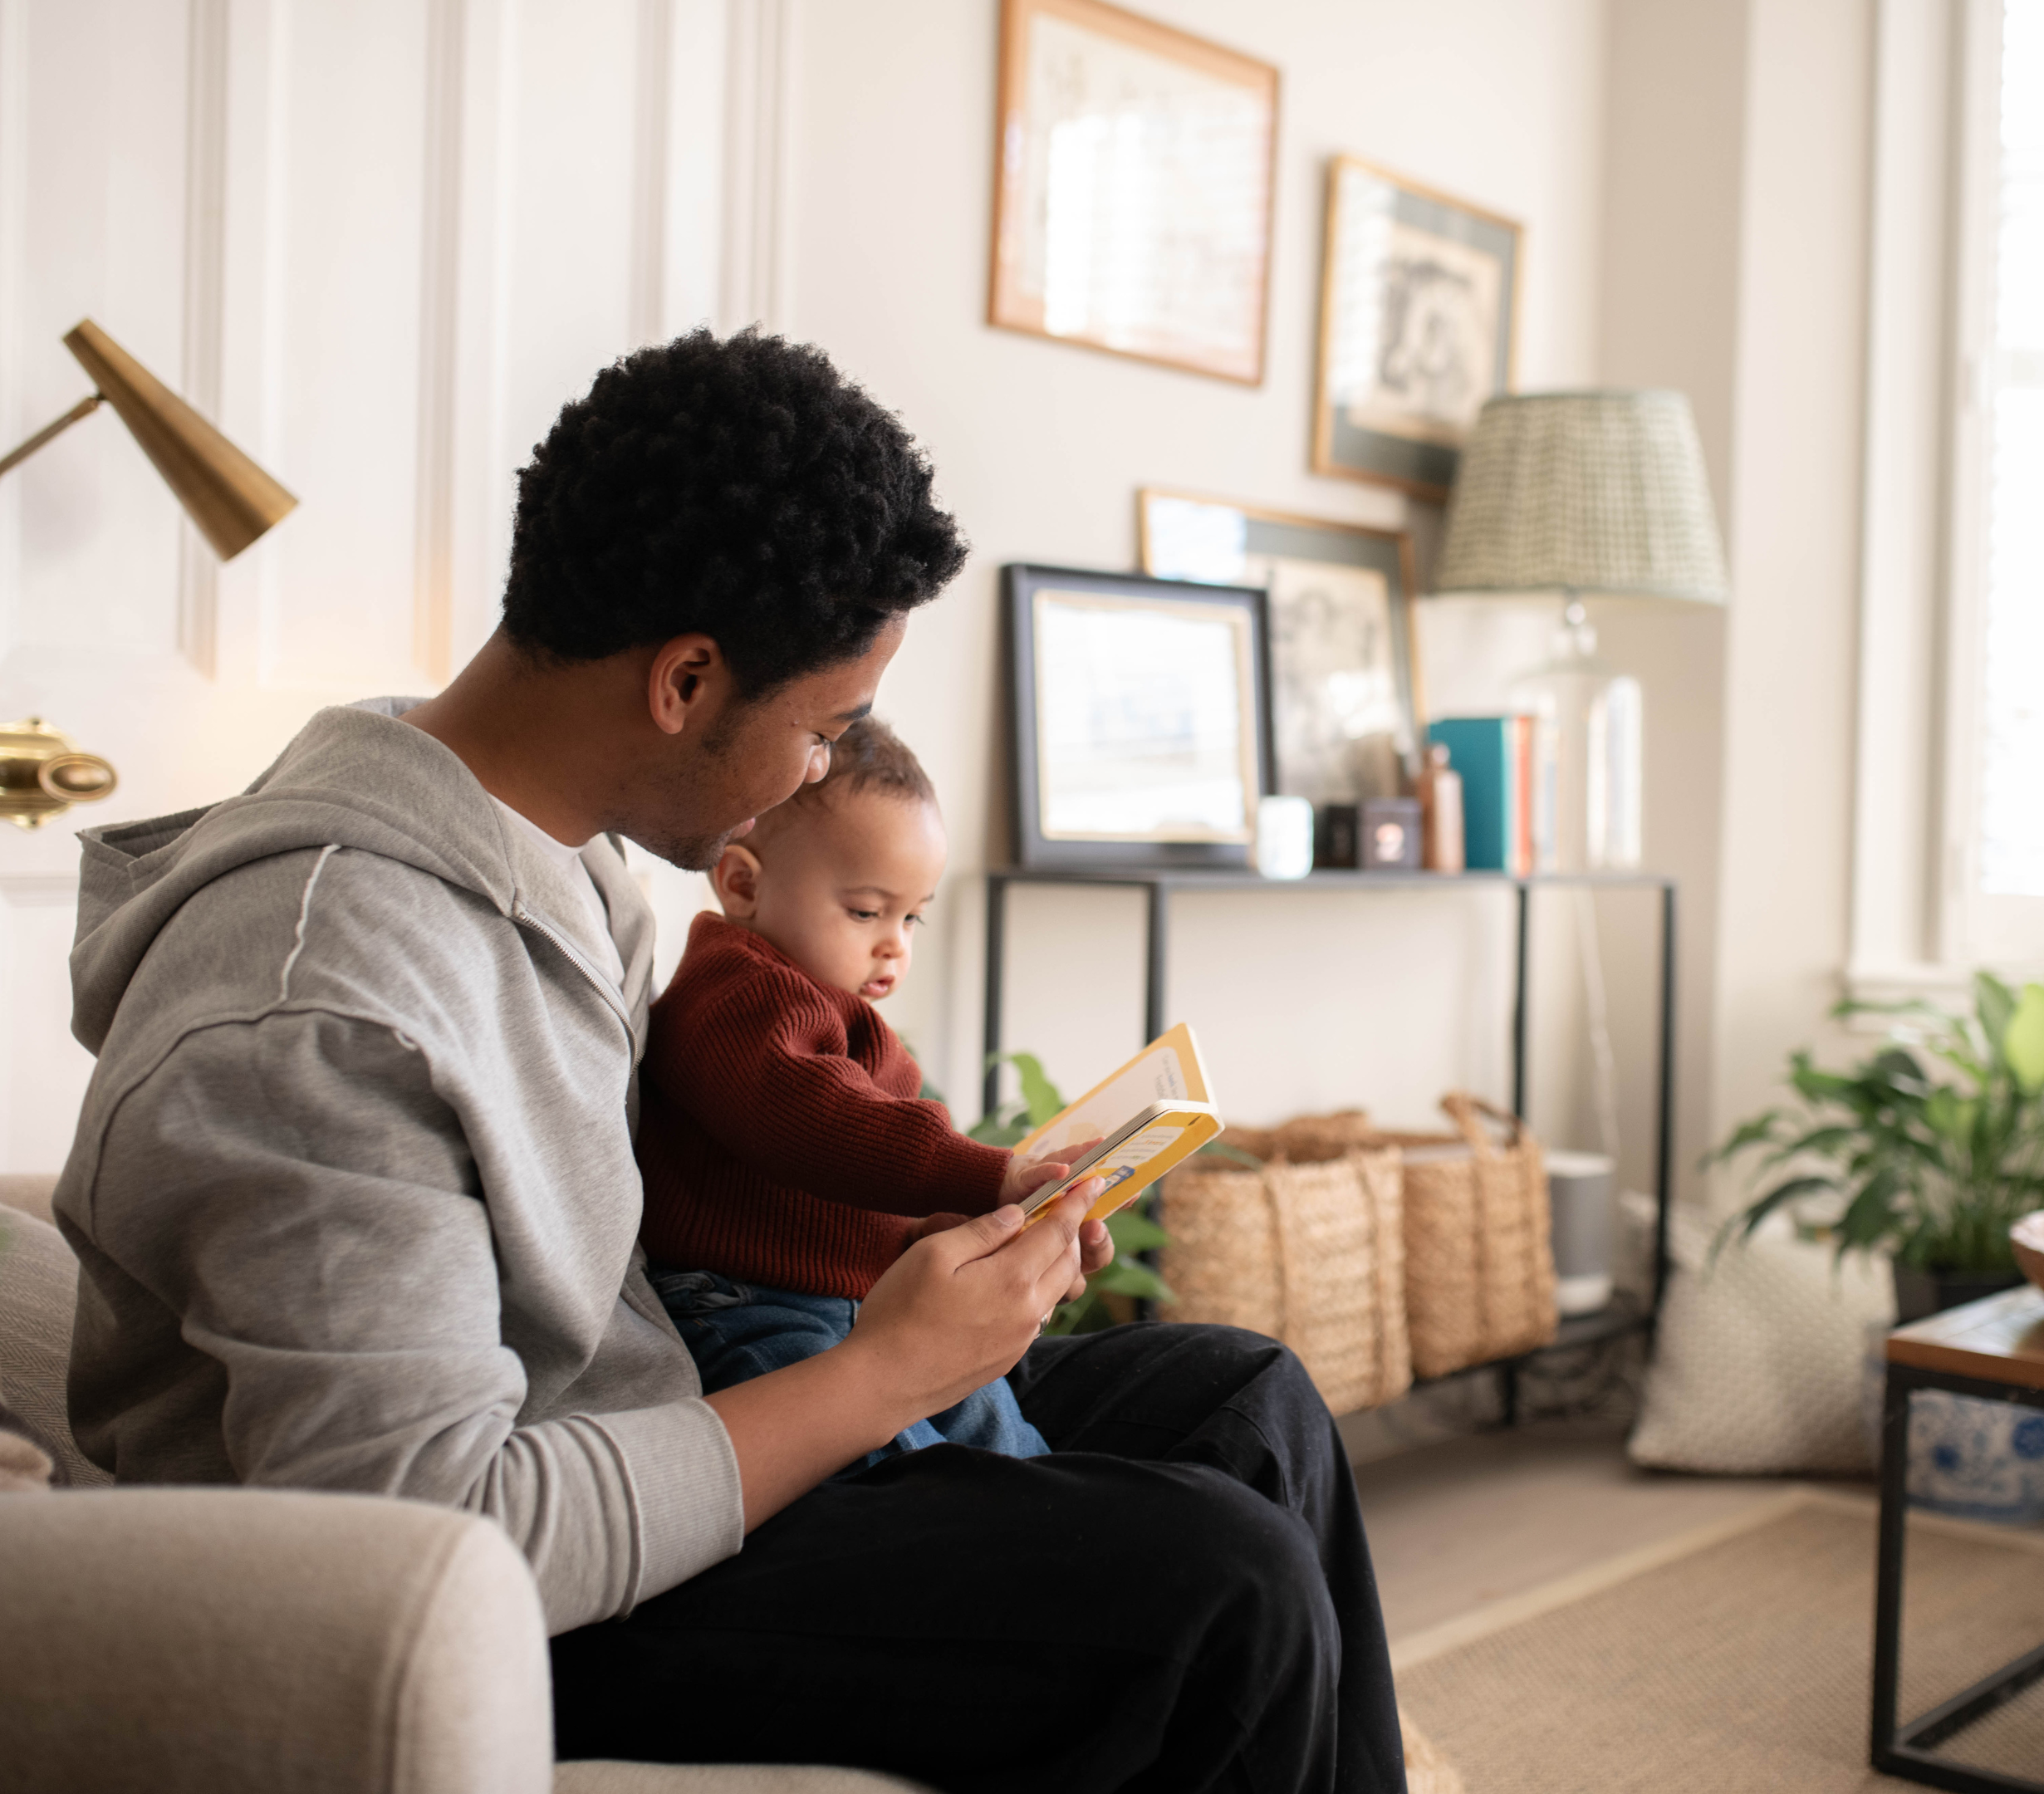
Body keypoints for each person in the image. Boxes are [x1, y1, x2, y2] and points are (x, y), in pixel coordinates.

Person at [53, 326, 1403, 1793]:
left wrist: (933, 1235)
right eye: (823, 728)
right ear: (687, 680)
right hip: (527, 1604)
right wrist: (883, 1375)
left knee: (1243, 1398)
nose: (824, 773)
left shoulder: (554, 855)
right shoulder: (323, 1007)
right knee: (1221, 1586)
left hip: (663, 1411)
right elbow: (434, 1544)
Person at [639, 715, 1061, 1464]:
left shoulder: (843, 1008)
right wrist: (984, 1174)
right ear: (743, 884)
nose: (894, 941)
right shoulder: (739, 992)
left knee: (996, 1423)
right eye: (866, 911)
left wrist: (937, 1232)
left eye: (912, 916)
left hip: (860, 1303)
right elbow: (822, 1122)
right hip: (746, 1306)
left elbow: (849, 1198)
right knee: (893, 1465)